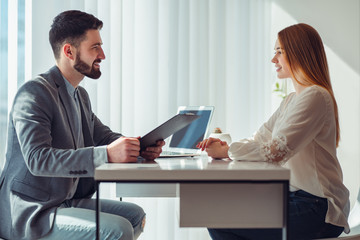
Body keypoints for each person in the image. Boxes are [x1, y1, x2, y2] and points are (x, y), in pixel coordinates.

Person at [0, 10, 164, 240]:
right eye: (95, 47)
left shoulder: (79, 95)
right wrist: (107, 154)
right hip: (34, 211)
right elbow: (38, 159)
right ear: (69, 51)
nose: (103, 55)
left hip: (64, 201)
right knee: (118, 230)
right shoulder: (34, 93)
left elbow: (105, 138)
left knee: (134, 216)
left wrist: (139, 148)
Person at [197, 23, 350, 240]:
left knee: (219, 217)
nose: (273, 59)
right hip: (294, 198)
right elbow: (260, 138)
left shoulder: (315, 96)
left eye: (279, 52)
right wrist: (226, 147)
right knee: (218, 210)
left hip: (319, 208)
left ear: (299, 53)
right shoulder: (292, 100)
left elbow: (276, 151)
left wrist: (229, 152)